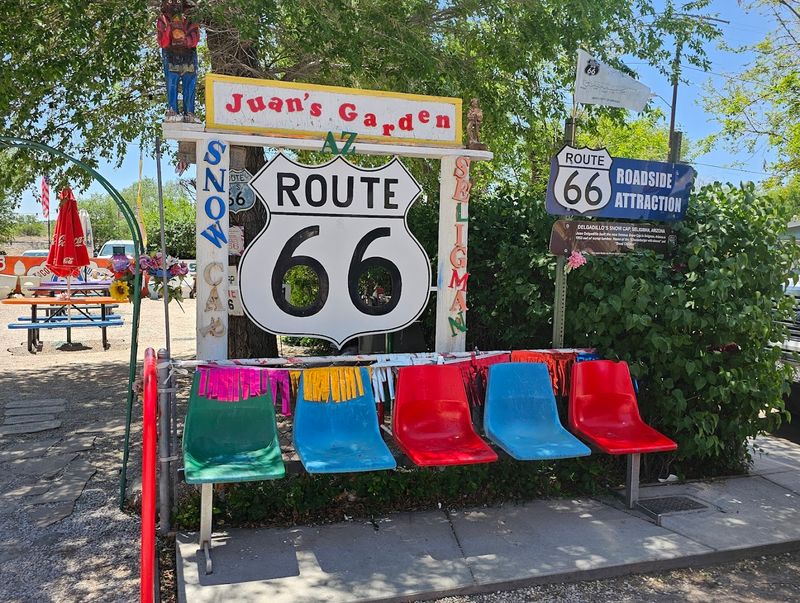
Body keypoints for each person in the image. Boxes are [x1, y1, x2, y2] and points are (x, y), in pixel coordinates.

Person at [157, 0, 200, 123]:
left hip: (189, 55)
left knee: (190, 83)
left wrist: (184, 38)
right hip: (170, 55)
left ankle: (189, 112)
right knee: (171, 82)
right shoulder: (163, 20)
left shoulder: (191, 19)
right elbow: (163, 42)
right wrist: (170, 29)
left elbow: (194, 39)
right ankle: (172, 110)